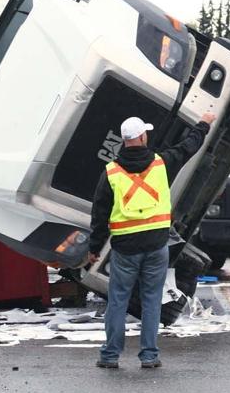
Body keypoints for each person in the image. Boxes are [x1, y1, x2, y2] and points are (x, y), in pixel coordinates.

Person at [90, 112, 216, 369]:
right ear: (141, 137)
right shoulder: (161, 163)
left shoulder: (111, 172)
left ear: (125, 140)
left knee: (118, 301)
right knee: (151, 300)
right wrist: (204, 123)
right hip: (156, 245)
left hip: (125, 248)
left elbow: (100, 213)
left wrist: (94, 248)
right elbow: (190, 146)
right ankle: (149, 355)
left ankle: (110, 355)